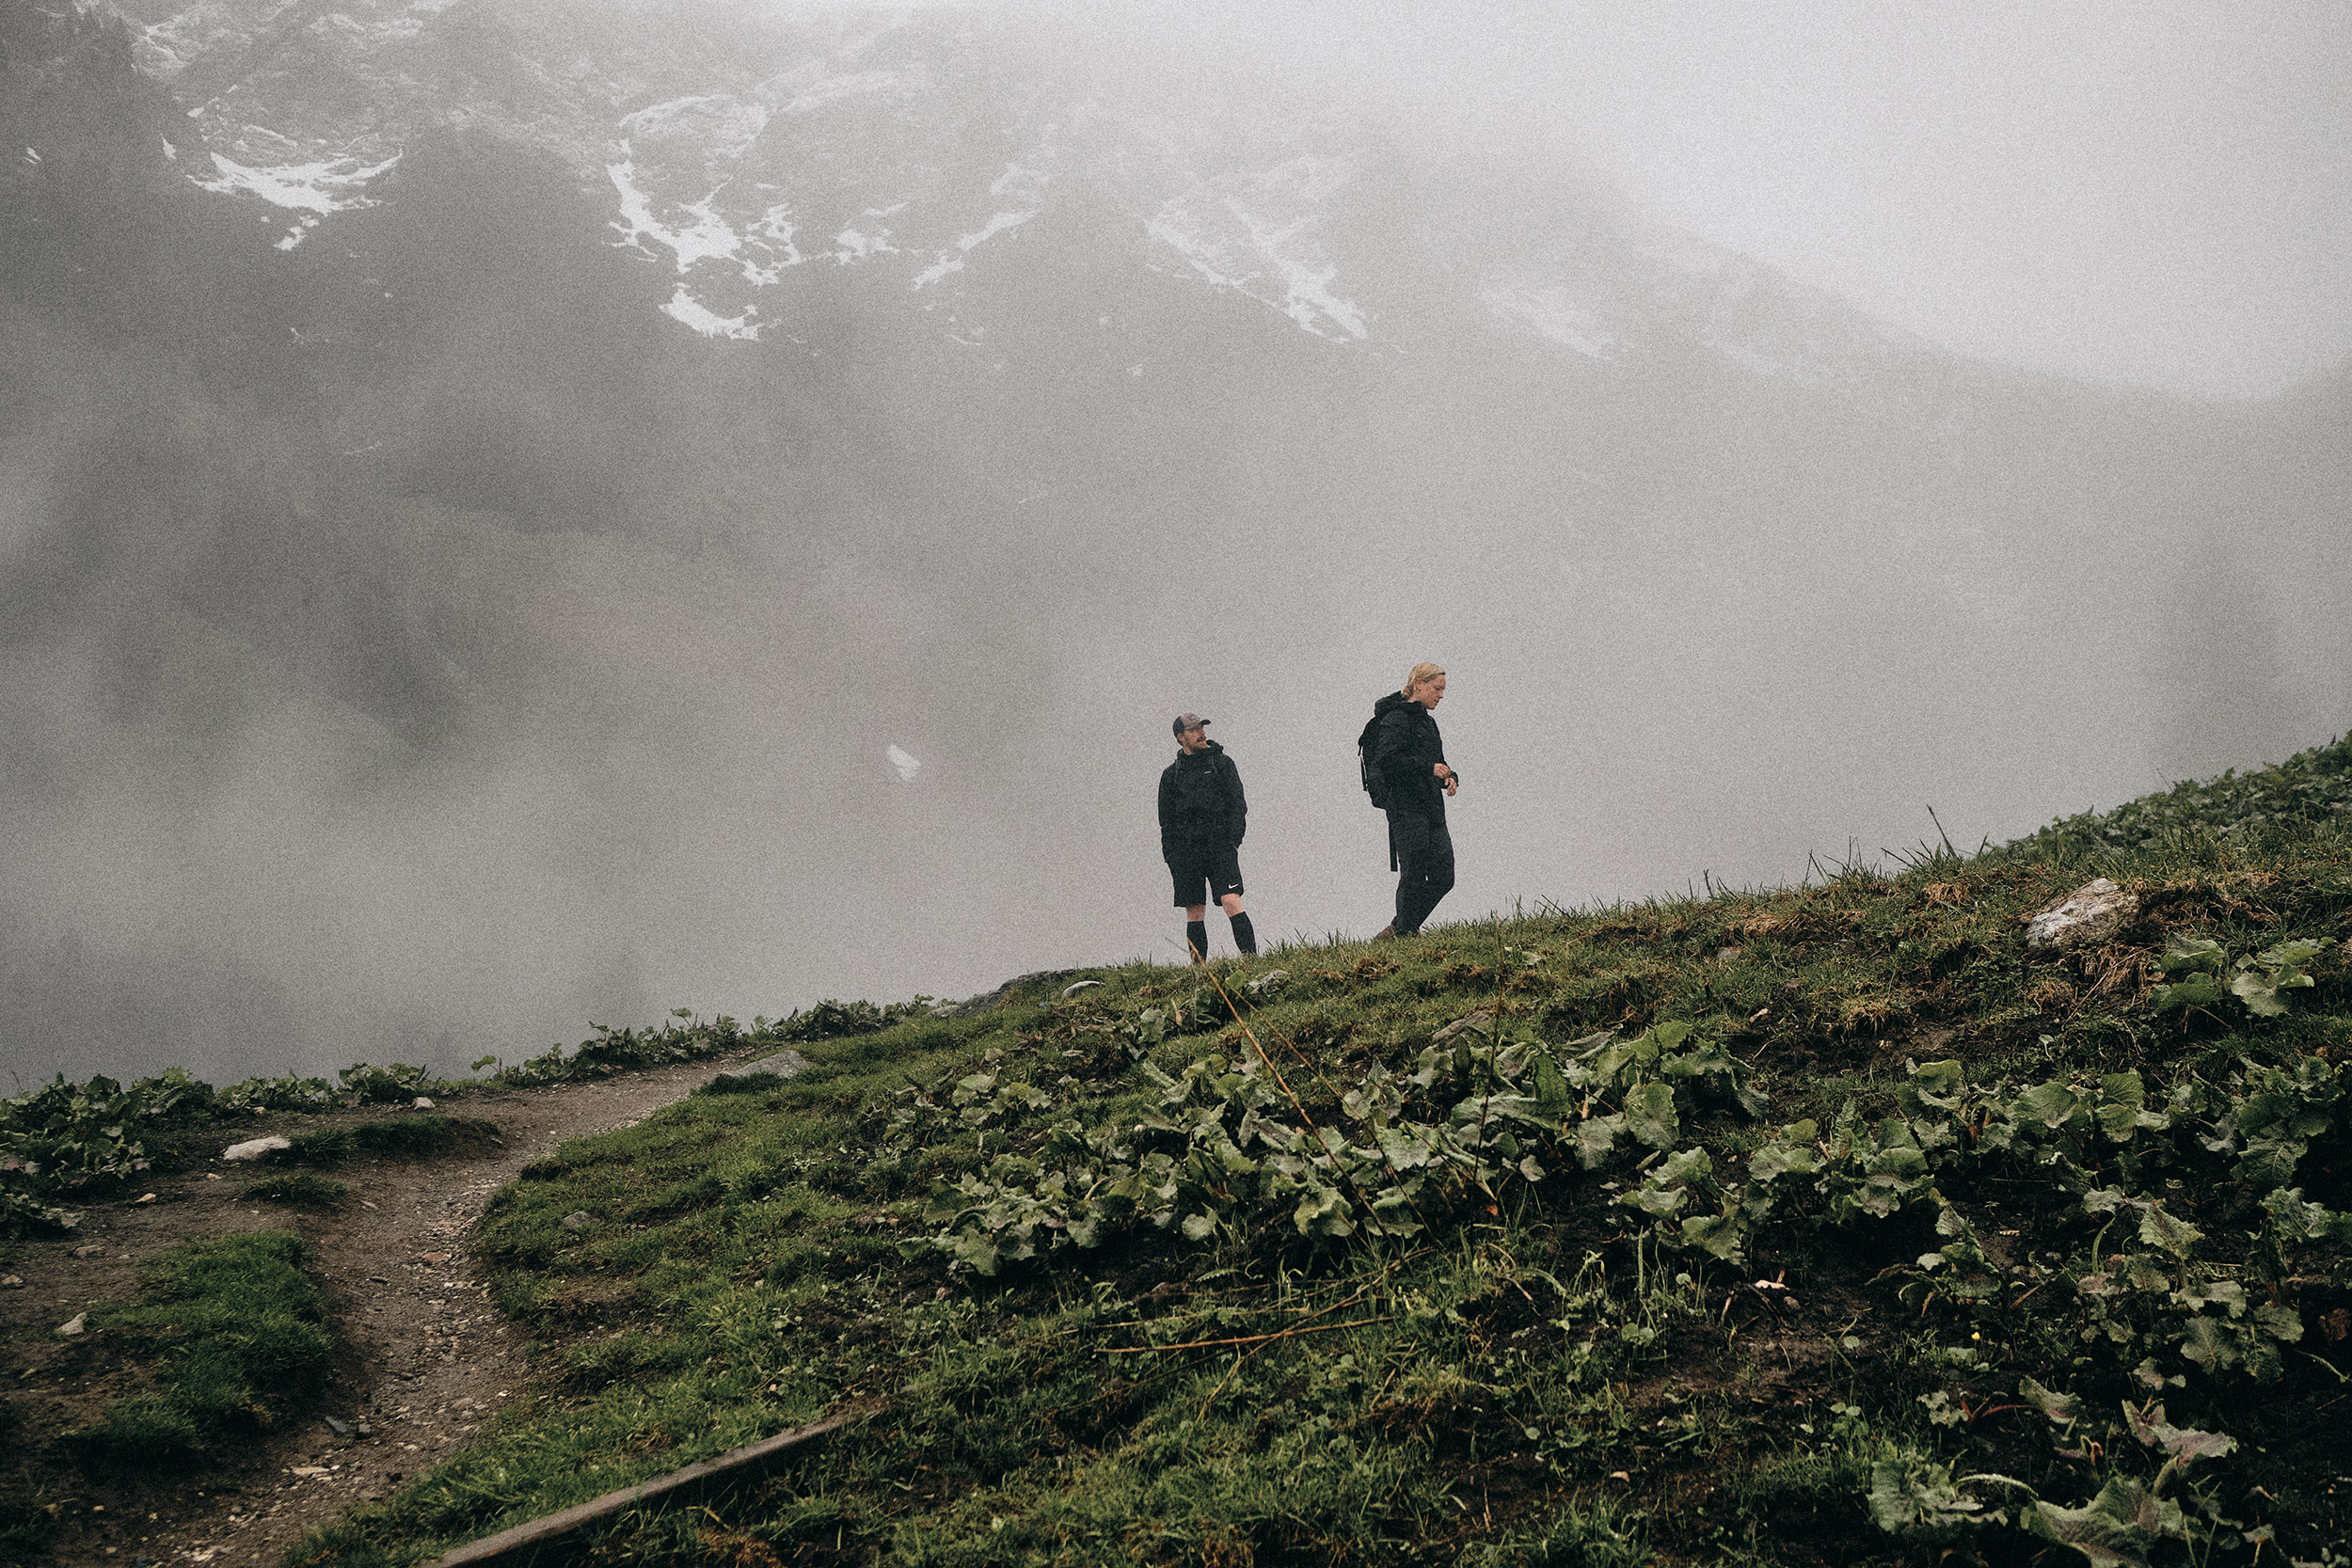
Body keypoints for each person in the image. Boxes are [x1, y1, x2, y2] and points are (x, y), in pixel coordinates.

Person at [1158, 712, 1256, 960]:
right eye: (1194, 730)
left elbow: (1238, 805)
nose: (1201, 733)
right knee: (1194, 910)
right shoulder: (1171, 776)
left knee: (1231, 900)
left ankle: (1251, 960)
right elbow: (1166, 821)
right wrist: (1171, 855)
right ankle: (1199, 971)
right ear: (1181, 737)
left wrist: (1233, 841)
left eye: (1202, 728)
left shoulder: (1222, 764)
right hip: (1186, 851)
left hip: (1220, 845)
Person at [1371, 663, 1458, 939]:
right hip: (1405, 809)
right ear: (1419, 684)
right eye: (1437, 689)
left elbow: (1439, 760)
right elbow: (1387, 760)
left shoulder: (1428, 722)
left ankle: (1400, 928)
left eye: (1443, 690)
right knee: (1413, 875)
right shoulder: (1395, 719)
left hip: (1432, 809)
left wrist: (1450, 776)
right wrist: (1428, 768)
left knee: (1445, 877)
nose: (1441, 695)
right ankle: (1404, 933)